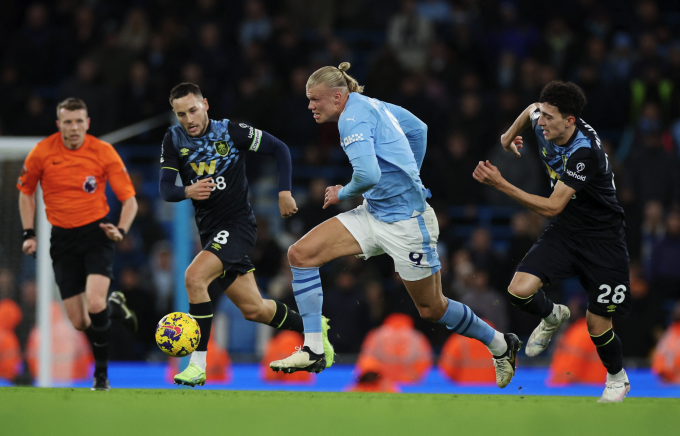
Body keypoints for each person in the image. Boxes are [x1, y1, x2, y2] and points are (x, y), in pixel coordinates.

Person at [270, 63, 522, 389]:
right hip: (373, 213)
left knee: (432, 309)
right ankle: (314, 349)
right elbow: (419, 129)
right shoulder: (373, 104)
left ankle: (502, 344)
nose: (310, 106)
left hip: (408, 225)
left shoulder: (351, 120)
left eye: (315, 99)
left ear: (336, 96)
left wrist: (341, 191)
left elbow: (369, 176)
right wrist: (408, 174)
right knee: (300, 255)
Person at [158, 83, 334, 387]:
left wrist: (284, 192)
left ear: (206, 104)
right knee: (255, 309)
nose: (188, 119)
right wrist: (188, 190)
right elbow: (165, 190)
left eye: (193, 110)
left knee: (194, 277)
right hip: (212, 235)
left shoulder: (231, 133)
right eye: (181, 114)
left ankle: (197, 365)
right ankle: (314, 327)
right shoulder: (173, 139)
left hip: (238, 226)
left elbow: (280, 148)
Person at [473, 80, 632, 402]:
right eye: (542, 115)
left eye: (549, 117)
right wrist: (506, 138)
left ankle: (617, 379)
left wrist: (501, 183)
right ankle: (551, 314)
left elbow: (552, 206)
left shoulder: (584, 152)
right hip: (567, 230)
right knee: (518, 289)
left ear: (569, 121)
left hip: (603, 239)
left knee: (597, 322)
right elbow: (530, 109)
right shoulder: (543, 119)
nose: (541, 122)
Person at [17, 98, 139, 391]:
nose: (73, 128)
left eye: (78, 121)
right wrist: (28, 234)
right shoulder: (42, 152)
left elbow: (129, 200)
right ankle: (115, 304)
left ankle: (101, 377)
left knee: (94, 302)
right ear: (59, 125)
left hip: (97, 234)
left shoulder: (103, 151)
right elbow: (26, 192)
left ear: (88, 123)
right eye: (67, 122)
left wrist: (120, 230)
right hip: (62, 239)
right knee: (81, 322)